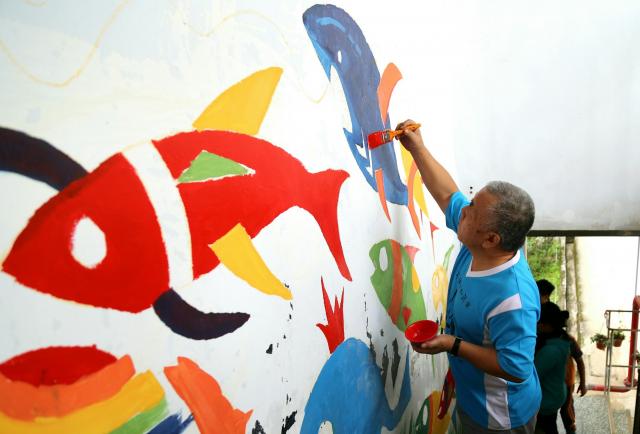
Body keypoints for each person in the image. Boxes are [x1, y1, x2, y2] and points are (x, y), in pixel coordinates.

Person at [398, 120, 541, 433]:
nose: (464, 209)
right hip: (472, 393)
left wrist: (453, 345)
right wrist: (417, 148)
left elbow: (516, 368)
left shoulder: (513, 300)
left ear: (491, 239)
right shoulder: (479, 242)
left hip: (499, 416)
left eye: (472, 211)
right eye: (473, 202)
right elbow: (447, 194)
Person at [535, 280, 587, 434]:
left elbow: (580, 361)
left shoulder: (560, 344)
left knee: (566, 413)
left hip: (562, 385)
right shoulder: (556, 339)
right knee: (553, 420)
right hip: (557, 387)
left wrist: (583, 383)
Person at [534, 302, 571, 434]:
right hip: (555, 393)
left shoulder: (551, 351)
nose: (537, 325)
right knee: (550, 425)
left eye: (539, 323)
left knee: (546, 427)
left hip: (548, 399)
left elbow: (533, 375)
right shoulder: (560, 339)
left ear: (548, 326)